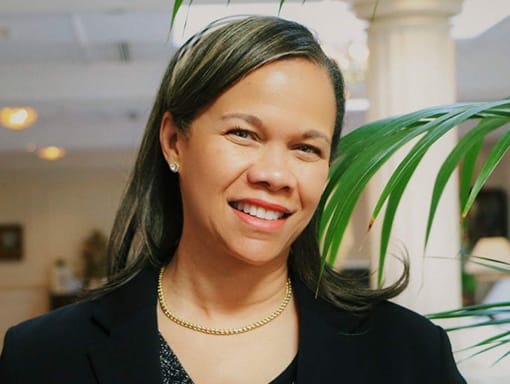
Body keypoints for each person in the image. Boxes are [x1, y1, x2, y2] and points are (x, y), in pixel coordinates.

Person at [0, 16, 466, 383]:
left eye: (306, 148)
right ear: (174, 141)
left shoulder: (408, 353)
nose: (275, 175)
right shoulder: (44, 356)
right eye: (243, 133)